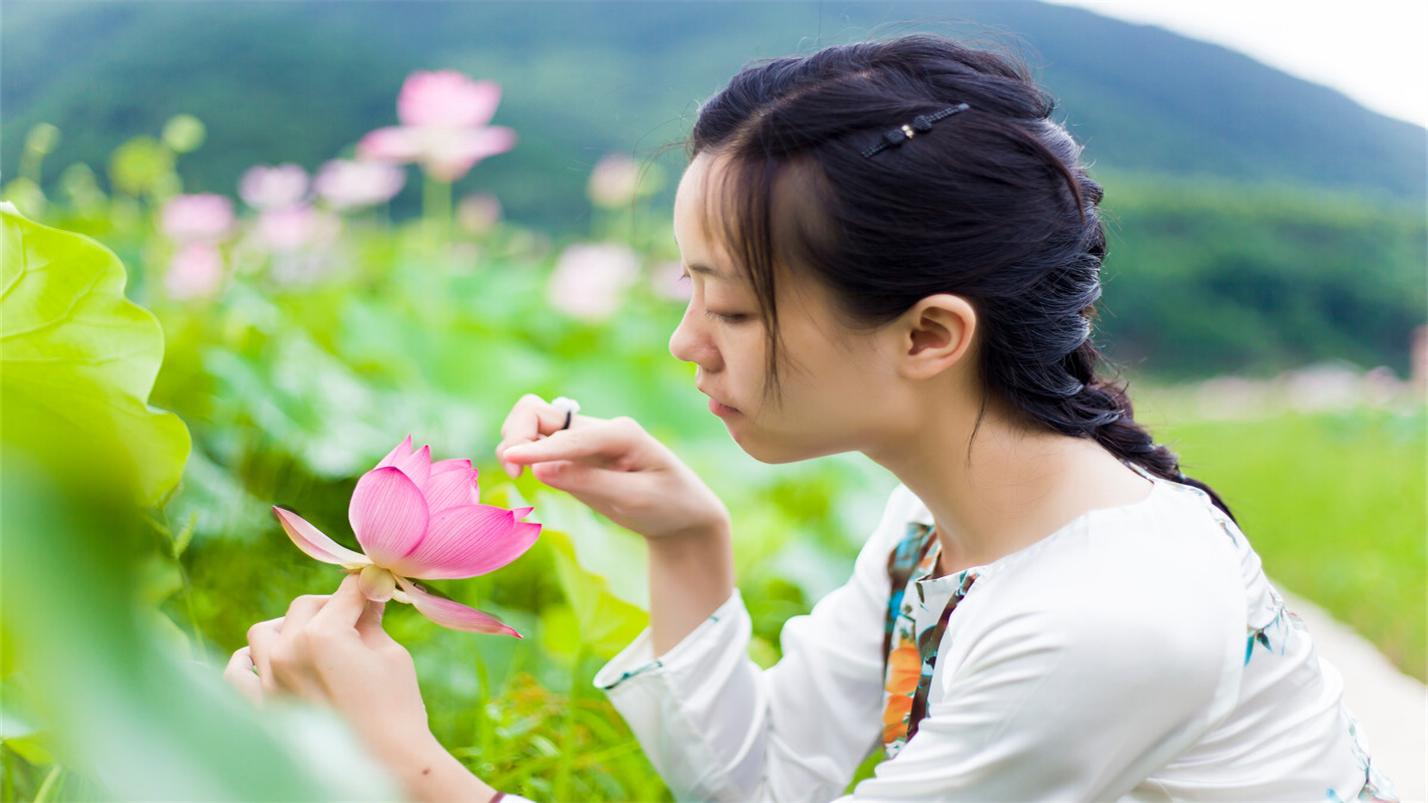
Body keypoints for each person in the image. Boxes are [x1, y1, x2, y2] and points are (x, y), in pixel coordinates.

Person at [227, 33, 1399, 802]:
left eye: (732, 306)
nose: (688, 343)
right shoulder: (945, 506)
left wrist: (401, 761)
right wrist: (688, 543)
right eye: (690, 290)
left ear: (931, 334)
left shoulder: (1106, 618)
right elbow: (770, 779)